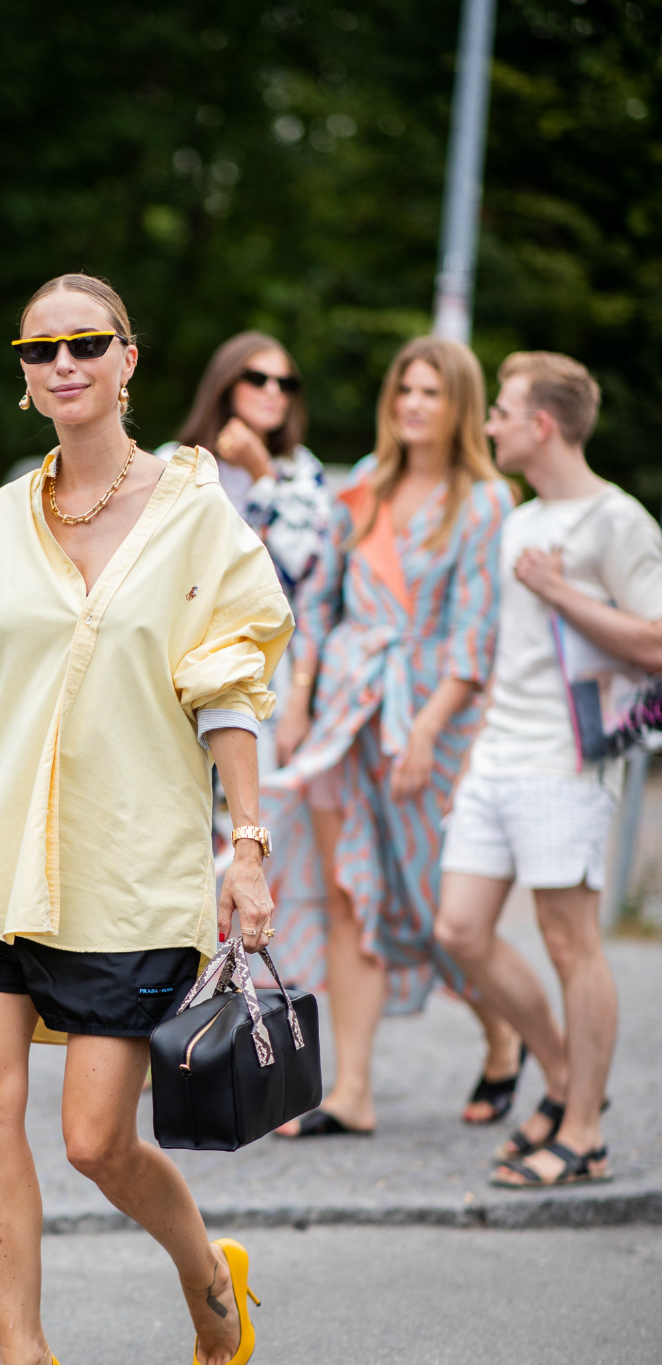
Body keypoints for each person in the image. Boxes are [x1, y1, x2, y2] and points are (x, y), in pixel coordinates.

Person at [0, 272, 293, 1365]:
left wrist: (246, 848)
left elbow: (230, 686)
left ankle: (209, 1276)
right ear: (24, 376)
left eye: (85, 342)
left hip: (130, 870)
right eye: (40, 348)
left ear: (128, 358)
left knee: (94, 1142)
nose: (62, 363)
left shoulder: (193, 516)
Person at [266, 336, 517, 1138]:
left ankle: (505, 1035)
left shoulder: (485, 502)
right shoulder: (363, 487)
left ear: (460, 405)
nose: (412, 404)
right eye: (404, 389)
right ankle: (352, 1091)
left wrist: (429, 731)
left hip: (432, 725)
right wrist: (298, 701)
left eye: (431, 392)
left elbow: (477, 635)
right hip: (344, 718)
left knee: (438, 906)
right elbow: (318, 607)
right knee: (349, 893)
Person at [434, 352, 662, 1189]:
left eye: (502, 411)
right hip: (500, 753)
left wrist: (562, 592)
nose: (490, 423)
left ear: (541, 424)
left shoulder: (617, 521)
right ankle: (564, 1081)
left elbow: (656, 641)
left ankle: (585, 1134)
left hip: (569, 763)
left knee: (570, 943)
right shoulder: (520, 522)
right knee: (459, 930)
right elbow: (513, 652)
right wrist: (476, 746)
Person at [175, 332, 331, 767]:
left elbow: (301, 572)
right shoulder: (179, 464)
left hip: (268, 666)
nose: (273, 391)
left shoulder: (303, 472)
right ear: (226, 383)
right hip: (184, 655)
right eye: (258, 378)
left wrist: (262, 473)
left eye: (286, 383)